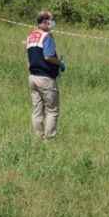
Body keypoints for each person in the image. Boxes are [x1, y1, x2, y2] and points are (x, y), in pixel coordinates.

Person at [26, 10, 65, 139]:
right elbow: (48, 56)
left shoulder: (31, 36)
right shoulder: (46, 36)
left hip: (32, 77)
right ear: (45, 22)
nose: (53, 23)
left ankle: (38, 137)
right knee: (52, 110)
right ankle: (49, 140)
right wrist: (59, 63)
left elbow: (29, 59)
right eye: (51, 20)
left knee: (37, 110)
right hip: (45, 78)